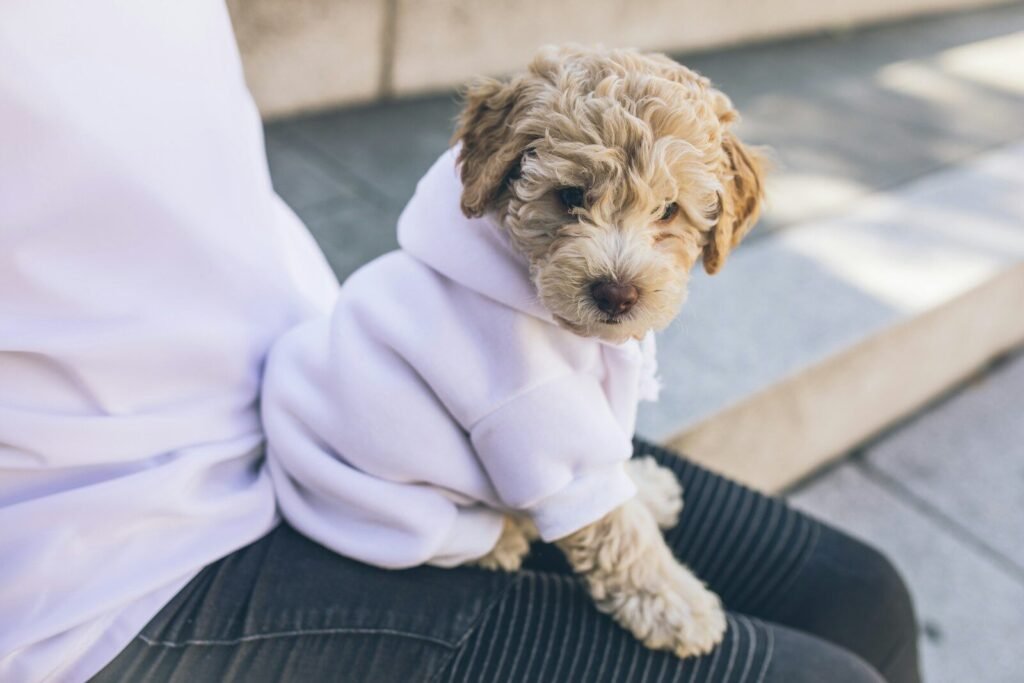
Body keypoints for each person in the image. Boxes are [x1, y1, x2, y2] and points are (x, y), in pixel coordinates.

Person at [0, 3, 921, 682]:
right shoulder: (496, 331)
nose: (619, 261)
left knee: (862, 592)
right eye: (572, 198)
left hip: (316, 384)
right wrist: (629, 551)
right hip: (120, 556)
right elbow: (564, 473)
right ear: (497, 167)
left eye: (671, 216)